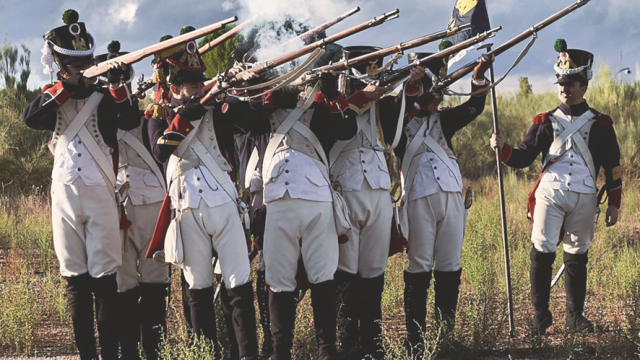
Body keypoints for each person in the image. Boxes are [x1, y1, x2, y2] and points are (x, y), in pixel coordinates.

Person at [22, 9, 139, 360]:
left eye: (84, 63)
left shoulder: (104, 95)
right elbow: (32, 118)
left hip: (101, 193)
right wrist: (65, 88)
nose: (80, 69)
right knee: (75, 281)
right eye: (73, 65)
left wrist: (117, 85)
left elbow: (130, 118)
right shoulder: (52, 93)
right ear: (59, 64)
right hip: (65, 197)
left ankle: (110, 355)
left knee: (105, 281)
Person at [490, 39, 621, 335]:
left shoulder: (601, 124)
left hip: (585, 196)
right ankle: (540, 317)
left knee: (577, 254)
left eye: (572, 82)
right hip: (550, 193)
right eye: (562, 82)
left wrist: (614, 202)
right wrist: (503, 149)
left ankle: (574, 317)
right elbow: (523, 156)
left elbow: (613, 164)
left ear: (584, 85)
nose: (565, 88)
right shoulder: (544, 121)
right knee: (542, 251)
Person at [147, 34, 261, 360]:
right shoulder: (159, 114)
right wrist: (189, 114)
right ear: (173, 87)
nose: (196, 88)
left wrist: (241, 88)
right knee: (198, 289)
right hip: (187, 209)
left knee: (239, 286)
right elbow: (160, 149)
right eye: (188, 84)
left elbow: (252, 120)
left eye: (199, 82)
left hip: (225, 204)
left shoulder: (218, 107)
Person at [387, 52, 492, 357]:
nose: (437, 98)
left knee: (449, 268)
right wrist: (416, 98)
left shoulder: (443, 120)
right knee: (419, 268)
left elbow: (475, 106)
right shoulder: (397, 118)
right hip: (418, 199)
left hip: (451, 199)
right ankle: (415, 341)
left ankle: (445, 337)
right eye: (430, 91)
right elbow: (392, 121)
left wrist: (479, 73)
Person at [328, 46, 421, 360]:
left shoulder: (383, 107)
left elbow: (404, 111)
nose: (377, 81)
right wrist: (360, 99)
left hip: (380, 193)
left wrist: (411, 84)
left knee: (373, 273)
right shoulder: (336, 104)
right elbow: (333, 125)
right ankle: (346, 343)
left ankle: (372, 343)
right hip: (345, 194)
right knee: (345, 274)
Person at [260, 75, 358, 360]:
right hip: (278, 201)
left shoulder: (320, 111)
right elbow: (239, 116)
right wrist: (254, 80)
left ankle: (327, 351)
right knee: (279, 281)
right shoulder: (262, 111)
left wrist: (333, 94)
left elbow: (348, 128)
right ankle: (280, 353)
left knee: (323, 278)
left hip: (316, 202)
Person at [95, 41, 172, 360]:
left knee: (155, 285)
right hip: (116, 210)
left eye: (122, 79)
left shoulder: (148, 116)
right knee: (124, 289)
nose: (118, 87)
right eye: (112, 81)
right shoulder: (95, 119)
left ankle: (153, 351)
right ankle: (129, 352)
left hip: (152, 207)